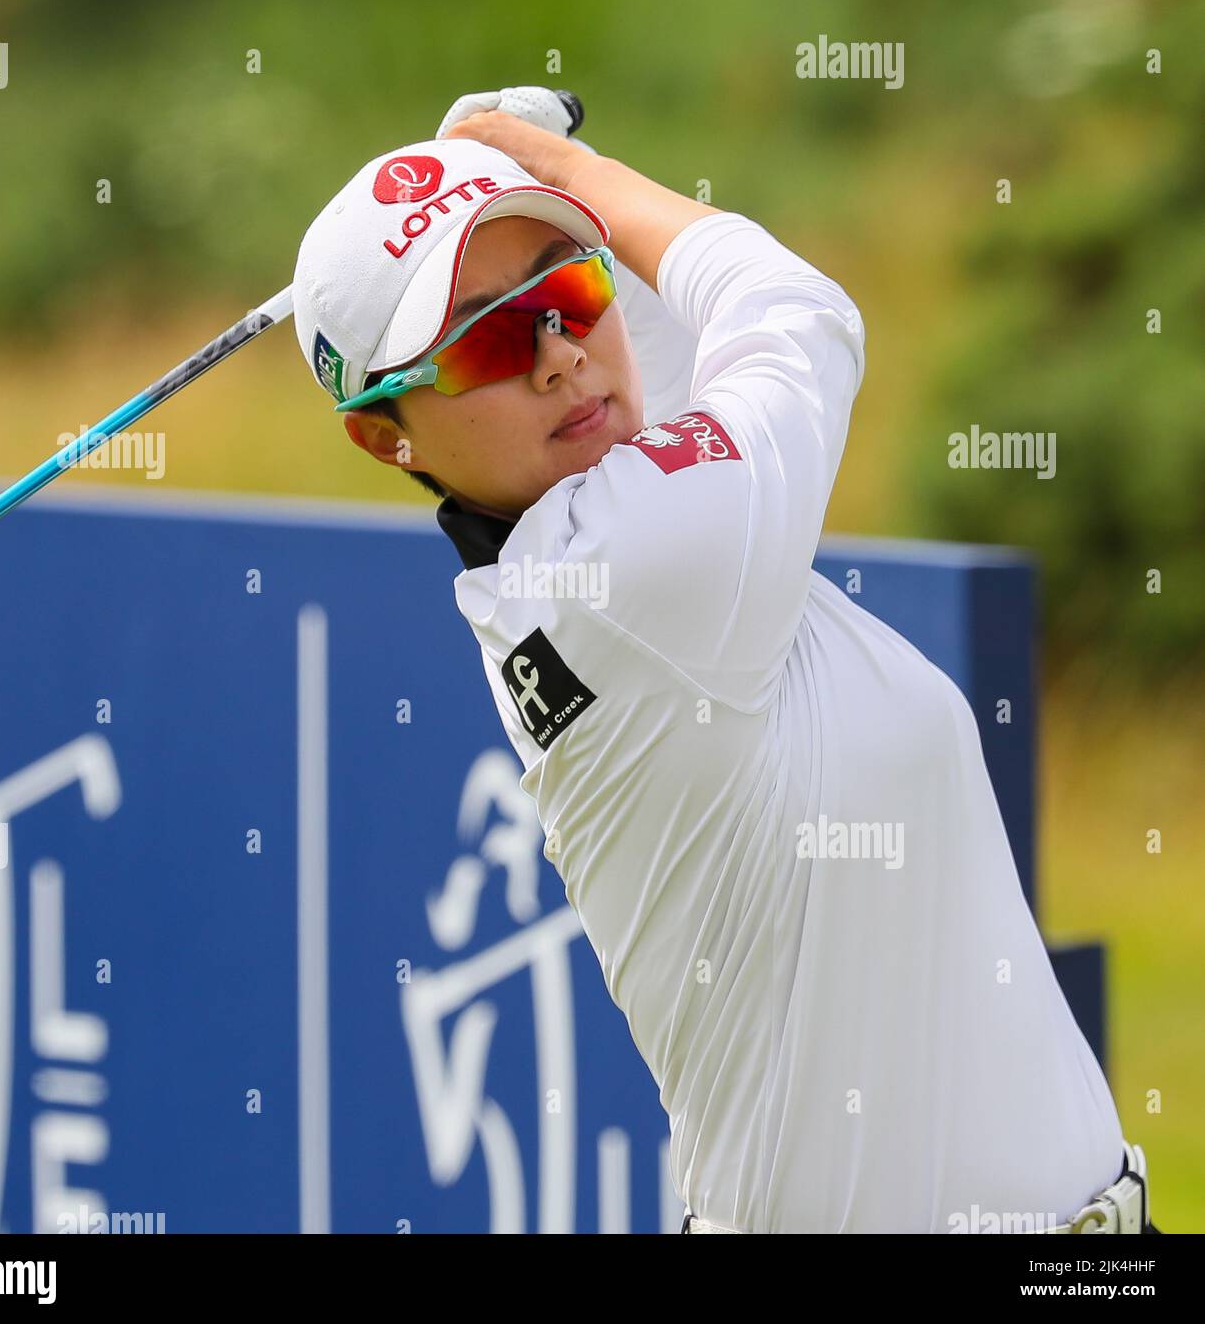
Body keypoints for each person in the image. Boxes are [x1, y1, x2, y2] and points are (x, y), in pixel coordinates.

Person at [290, 90, 1152, 1234]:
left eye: (569, 292)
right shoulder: (638, 566)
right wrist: (558, 163)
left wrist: (533, 193)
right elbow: (796, 310)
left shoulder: (596, 530)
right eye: (491, 335)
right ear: (382, 432)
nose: (558, 357)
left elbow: (647, 353)